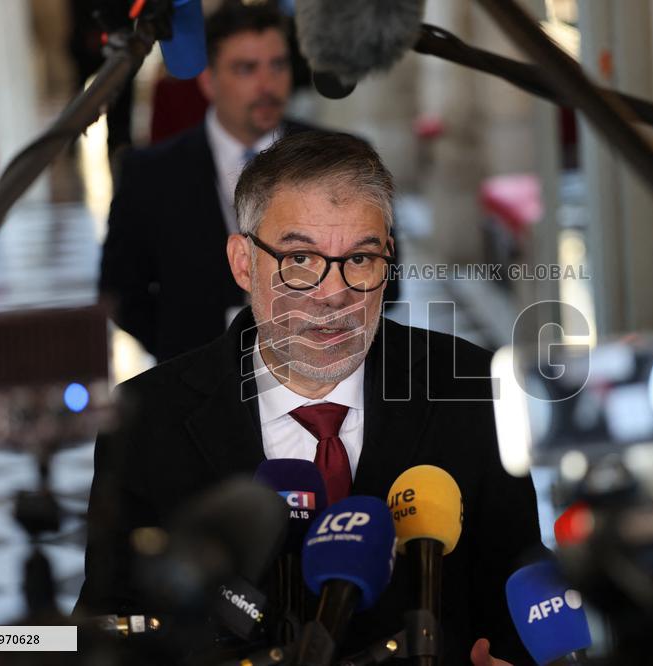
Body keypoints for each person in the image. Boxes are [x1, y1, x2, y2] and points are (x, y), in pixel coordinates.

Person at [77, 131, 541, 664]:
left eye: (361, 259)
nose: (334, 293)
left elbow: (522, 585)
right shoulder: (146, 418)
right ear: (244, 263)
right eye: (300, 259)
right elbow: (105, 623)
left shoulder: (473, 388)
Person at [98, 1, 308, 363]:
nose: (267, 85)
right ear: (208, 80)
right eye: (246, 69)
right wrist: (184, 354)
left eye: (277, 65)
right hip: (196, 380)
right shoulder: (149, 174)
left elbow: (387, 280)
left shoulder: (336, 157)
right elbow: (119, 292)